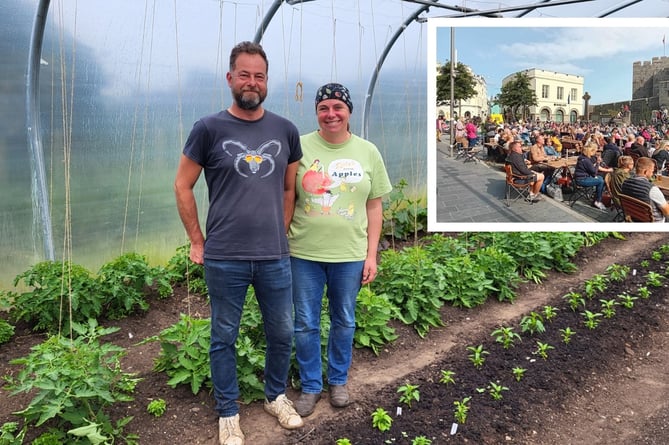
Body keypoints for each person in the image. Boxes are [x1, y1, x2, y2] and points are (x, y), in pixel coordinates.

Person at [174, 41, 303, 445]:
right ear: (230, 78)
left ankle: (275, 396)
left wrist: (279, 233)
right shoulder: (209, 129)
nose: (252, 82)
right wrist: (197, 240)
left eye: (259, 76)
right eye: (244, 74)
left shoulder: (284, 130)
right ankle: (228, 413)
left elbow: (288, 190)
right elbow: (182, 185)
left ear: (267, 82)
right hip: (225, 255)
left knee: (282, 331)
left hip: (273, 257)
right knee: (223, 335)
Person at [287, 83, 392, 418]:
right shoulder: (299, 147)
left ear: (348, 112)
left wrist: (371, 254)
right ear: (316, 112)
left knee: (344, 319)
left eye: (337, 107)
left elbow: (374, 207)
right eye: (323, 108)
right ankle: (310, 385)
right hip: (303, 253)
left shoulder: (367, 152)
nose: (330, 114)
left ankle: (338, 380)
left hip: (349, 254)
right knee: (305, 322)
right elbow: (286, 196)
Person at [621, 156, 669, 222]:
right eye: (652, 171)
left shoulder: (625, 183)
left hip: (634, 218)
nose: (652, 174)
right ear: (645, 172)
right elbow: (667, 212)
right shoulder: (652, 190)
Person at [573, 142, 612, 211]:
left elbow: (592, 169)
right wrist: (598, 163)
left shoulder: (583, 157)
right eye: (595, 151)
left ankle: (596, 198)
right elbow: (594, 171)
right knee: (600, 181)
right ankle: (597, 200)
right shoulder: (586, 160)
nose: (595, 153)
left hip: (582, 177)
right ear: (591, 151)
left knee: (600, 178)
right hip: (581, 180)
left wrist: (596, 163)